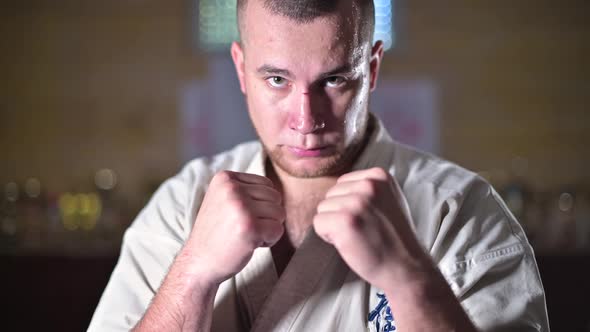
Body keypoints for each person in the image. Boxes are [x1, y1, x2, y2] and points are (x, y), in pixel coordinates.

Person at [88, 0, 549, 331]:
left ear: (371, 68)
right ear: (240, 69)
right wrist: (192, 275)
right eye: (276, 79)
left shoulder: (461, 214)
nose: (306, 120)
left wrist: (409, 279)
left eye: (334, 80)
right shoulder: (181, 205)